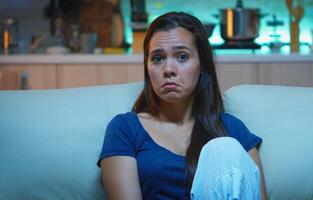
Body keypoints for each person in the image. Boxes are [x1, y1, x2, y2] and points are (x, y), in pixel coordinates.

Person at [97, 11, 267, 200]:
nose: (168, 69)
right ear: (147, 67)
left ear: (202, 65)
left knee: (224, 148)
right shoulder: (125, 128)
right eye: (158, 58)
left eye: (182, 56)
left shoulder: (231, 129)